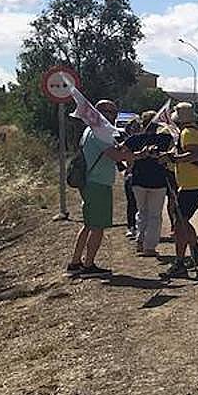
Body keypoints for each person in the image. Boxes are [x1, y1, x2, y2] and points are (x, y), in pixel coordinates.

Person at [68, 99, 130, 276]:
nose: (111, 116)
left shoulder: (90, 130)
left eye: (114, 112)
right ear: (98, 112)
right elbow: (115, 156)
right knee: (97, 227)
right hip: (98, 183)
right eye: (108, 112)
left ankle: (75, 262)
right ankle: (88, 266)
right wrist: (138, 156)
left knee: (88, 225)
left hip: (91, 182)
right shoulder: (100, 132)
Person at [123, 111, 176, 257]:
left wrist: (136, 158)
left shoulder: (134, 139)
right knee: (154, 215)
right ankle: (149, 246)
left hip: (139, 180)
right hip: (158, 181)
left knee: (142, 212)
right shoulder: (165, 139)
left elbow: (123, 152)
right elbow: (174, 148)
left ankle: (140, 241)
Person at [167, 102, 198, 275]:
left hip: (192, 185)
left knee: (179, 224)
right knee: (182, 221)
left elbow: (194, 154)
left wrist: (174, 159)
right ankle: (196, 253)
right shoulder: (190, 131)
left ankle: (180, 261)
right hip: (191, 184)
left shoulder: (188, 133)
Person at [121, 114, 143, 239]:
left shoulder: (142, 140)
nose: (136, 129)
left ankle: (139, 227)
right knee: (131, 203)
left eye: (137, 127)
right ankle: (131, 227)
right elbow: (121, 156)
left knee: (141, 204)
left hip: (141, 175)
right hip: (130, 174)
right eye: (133, 127)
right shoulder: (127, 141)